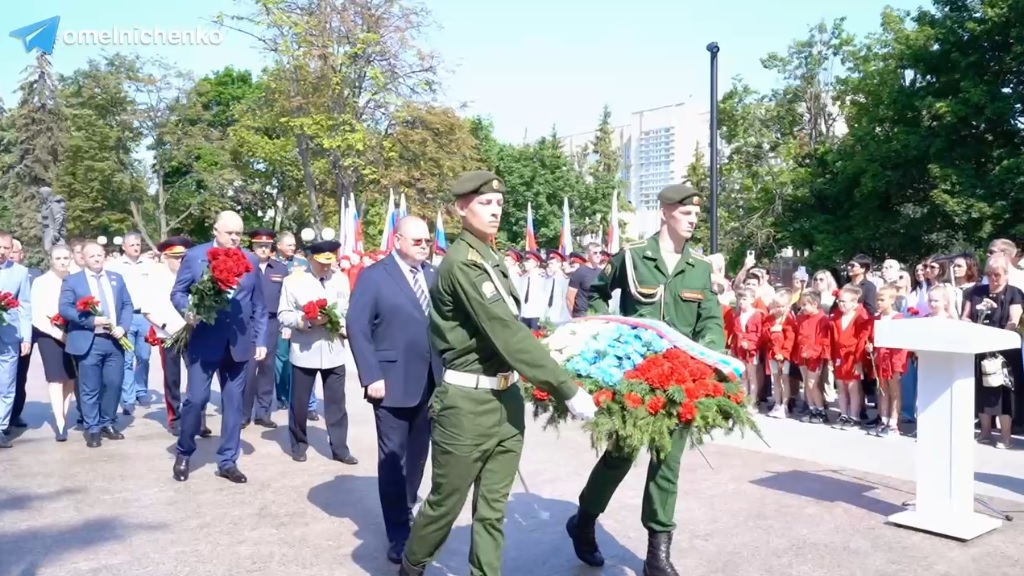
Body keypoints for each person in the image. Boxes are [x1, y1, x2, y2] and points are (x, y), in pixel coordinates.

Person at [400, 171, 596, 576]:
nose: (494, 210)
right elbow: (505, 331)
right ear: (461, 208)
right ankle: (411, 566)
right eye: (484, 203)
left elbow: (515, 328)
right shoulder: (463, 263)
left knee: (492, 510)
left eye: (499, 204)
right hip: (467, 406)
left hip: (505, 399)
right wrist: (565, 386)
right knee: (445, 505)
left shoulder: (491, 257)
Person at [565, 183, 723, 576]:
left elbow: (710, 318)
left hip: (683, 377)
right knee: (620, 455)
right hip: (636, 375)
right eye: (686, 214)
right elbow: (598, 292)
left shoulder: (699, 267)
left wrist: (709, 354)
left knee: (667, 463)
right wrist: (607, 331)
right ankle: (584, 520)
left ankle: (657, 552)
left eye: (696, 215)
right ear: (667, 211)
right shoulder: (633, 257)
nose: (693, 221)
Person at [348, 215, 442, 565]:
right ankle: (397, 532)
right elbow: (356, 327)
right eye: (417, 240)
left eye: (427, 241)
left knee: (418, 455)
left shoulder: (432, 276)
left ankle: (408, 505)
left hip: (430, 382)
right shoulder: (375, 277)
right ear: (397, 239)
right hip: (389, 383)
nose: (424, 246)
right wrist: (370, 374)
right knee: (393, 458)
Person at [170, 211, 267, 484]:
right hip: (204, 340)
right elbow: (177, 292)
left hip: (238, 343)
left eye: (239, 233)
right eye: (229, 233)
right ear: (216, 231)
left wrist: (260, 340)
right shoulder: (196, 257)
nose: (235, 238)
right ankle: (184, 451)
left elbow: (259, 305)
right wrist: (187, 311)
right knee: (196, 399)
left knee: (234, 404)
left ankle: (227, 461)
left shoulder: (250, 260)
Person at [277, 240, 355, 464]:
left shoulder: (340, 279)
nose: (326, 268)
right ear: (310, 259)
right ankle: (299, 443)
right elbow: (283, 314)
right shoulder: (293, 281)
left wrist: (342, 325)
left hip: (334, 350)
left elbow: (347, 308)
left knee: (337, 404)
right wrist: (305, 320)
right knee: (299, 403)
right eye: (321, 263)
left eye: (329, 263)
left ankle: (340, 448)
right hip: (305, 349)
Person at [57, 241, 134, 448]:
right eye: (92, 256)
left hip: (114, 340)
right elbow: (64, 309)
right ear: (83, 258)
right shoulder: (73, 281)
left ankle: (107, 422)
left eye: (100, 255)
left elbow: (127, 305)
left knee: (114, 384)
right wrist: (91, 321)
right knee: (89, 387)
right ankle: (92, 428)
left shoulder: (116, 279)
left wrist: (123, 327)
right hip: (88, 340)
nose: (97, 259)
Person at [144, 237, 212, 438]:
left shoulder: (196, 276)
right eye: (176, 258)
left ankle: (199, 420)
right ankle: (174, 418)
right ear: (166, 257)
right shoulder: (155, 279)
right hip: (168, 335)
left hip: (194, 332)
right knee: (172, 379)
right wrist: (165, 326)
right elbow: (147, 310)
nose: (180, 262)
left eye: (183, 257)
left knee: (198, 378)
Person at [30, 244, 78, 442]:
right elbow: (37, 314)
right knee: (55, 378)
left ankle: (64, 414)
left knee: (70, 378)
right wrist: (56, 333)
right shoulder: (41, 282)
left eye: (66, 258)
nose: (62, 262)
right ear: (51, 259)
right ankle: (59, 421)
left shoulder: (75, 279)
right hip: (48, 335)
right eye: (58, 258)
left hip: (72, 332)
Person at [242, 228, 288, 429]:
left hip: (271, 322)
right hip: (248, 323)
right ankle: (244, 413)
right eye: (259, 245)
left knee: (267, 369)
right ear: (253, 246)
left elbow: (287, 298)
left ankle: (263, 412)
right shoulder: (243, 266)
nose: (263, 249)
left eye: (266, 246)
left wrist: (285, 325)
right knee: (248, 370)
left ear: (271, 248)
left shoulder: (280, 268)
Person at [273, 231, 318, 418]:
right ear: (279, 246)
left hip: (301, 319)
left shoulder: (303, 264)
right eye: (288, 244)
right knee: (282, 360)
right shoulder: (272, 265)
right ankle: (283, 396)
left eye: (293, 244)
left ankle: (310, 404)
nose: (292, 247)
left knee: (307, 360)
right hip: (281, 319)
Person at [0, 231, 32, 448]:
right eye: (0, 247)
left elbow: (25, 305)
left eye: (6, 248)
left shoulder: (20, 272)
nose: (2, 252)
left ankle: (1, 427)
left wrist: (26, 337)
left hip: (9, 334)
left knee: (7, 384)